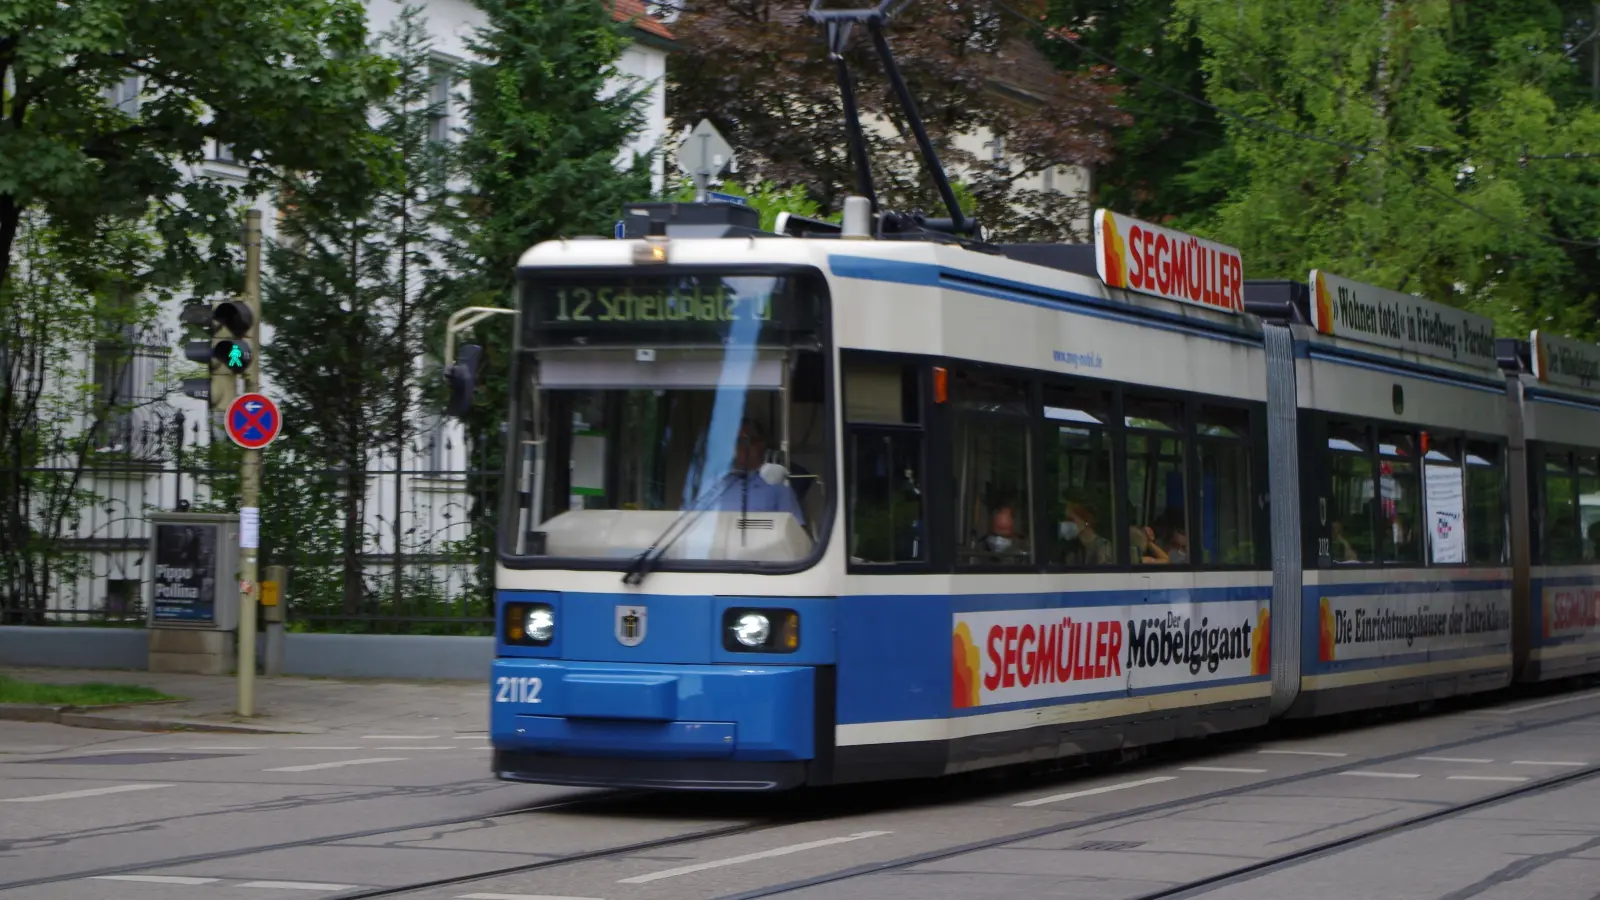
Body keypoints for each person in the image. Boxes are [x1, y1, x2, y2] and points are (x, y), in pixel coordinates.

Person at [701, 418, 805, 525]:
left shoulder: (777, 486)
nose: (735, 448)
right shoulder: (710, 486)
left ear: (760, 444)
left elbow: (796, 534)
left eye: (742, 441)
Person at [1059, 502, 1114, 566]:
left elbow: (1105, 572)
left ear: (1085, 520)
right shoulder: (1071, 549)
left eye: (1071, 520)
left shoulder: (1104, 546)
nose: (1067, 523)